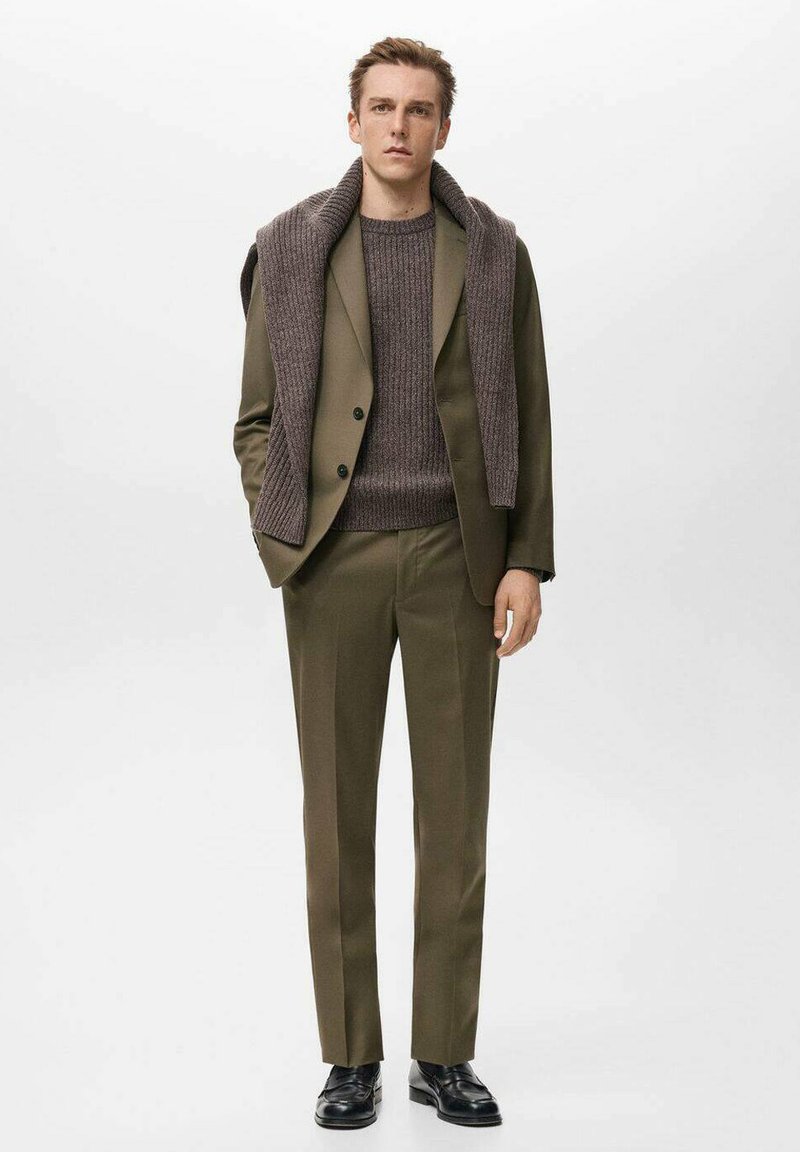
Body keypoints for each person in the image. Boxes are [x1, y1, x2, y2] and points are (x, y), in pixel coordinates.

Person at [233, 35, 555, 1129]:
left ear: (443, 128)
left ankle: (443, 1054)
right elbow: (255, 419)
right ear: (353, 122)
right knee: (338, 818)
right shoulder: (288, 248)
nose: (399, 126)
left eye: (419, 109)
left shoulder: (496, 253)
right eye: (382, 107)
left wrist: (524, 559)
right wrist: (285, 528)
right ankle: (350, 1057)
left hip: (459, 560)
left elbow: (532, 417)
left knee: (453, 822)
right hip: (333, 561)